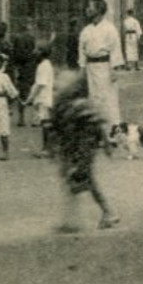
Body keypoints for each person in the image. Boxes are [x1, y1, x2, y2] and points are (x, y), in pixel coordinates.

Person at [50, 71, 120, 231]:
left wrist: (105, 143)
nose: (57, 89)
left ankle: (104, 213)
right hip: (72, 147)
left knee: (82, 179)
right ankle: (73, 220)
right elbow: (56, 129)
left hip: (83, 147)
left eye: (60, 86)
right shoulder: (64, 105)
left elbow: (97, 124)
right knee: (76, 181)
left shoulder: (80, 105)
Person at [78, 0, 122, 127]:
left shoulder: (110, 29)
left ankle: (113, 128)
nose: (87, 10)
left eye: (90, 8)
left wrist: (114, 69)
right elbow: (82, 50)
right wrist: (82, 67)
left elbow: (115, 49)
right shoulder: (86, 30)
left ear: (99, 10)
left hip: (105, 67)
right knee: (93, 97)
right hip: (91, 68)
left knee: (108, 97)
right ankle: (98, 129)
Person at [25, 45, 56, 157]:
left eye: (37, 50)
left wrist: (31, 97)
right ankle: (47, 148)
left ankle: (47, 149)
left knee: (45, 123)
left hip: (44, 98)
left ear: (42, 53)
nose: (34, 52)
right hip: (44, 98)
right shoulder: (44, 65)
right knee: (45, 123)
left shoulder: (43, 66)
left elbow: (40, 84)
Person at [9, 22, 40, 126]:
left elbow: (15, 54)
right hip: (31, 68)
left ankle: (21, 119)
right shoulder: (31, 38)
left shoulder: (17, 38)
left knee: (22, 93)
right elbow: (32, 53)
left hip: (22, 68)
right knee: (34, 92)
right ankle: (34, 119)